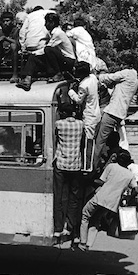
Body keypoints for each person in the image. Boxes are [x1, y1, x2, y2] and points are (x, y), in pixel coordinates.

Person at [78, 150, 138, 251]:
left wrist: (89, 180)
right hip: (112, 204)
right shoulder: (130, 175)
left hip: (100, 198)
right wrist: (128, 199)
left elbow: (101, 181)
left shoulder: (112, 167)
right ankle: (89, 244)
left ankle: (82, 242)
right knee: (96, 220)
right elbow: (136, 190)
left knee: (85, 215)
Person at [93, 68, 138, 171]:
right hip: (120, 114)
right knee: (111, 141)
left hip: (112, 112)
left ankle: (93, 167)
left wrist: (97, 77)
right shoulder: (134, 81)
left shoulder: (128, 73)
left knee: (99, 141)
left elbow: (111, 77)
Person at [53, 103, 84, 242]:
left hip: (61, 164)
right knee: (74, 199)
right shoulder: (80, 124)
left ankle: (58, 228)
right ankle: (70, 226)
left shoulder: (58, 124)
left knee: (59, 197)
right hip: (76, 166)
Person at [68, 61, 101, 173]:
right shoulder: (92, 78)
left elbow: (78, 100)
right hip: (96, 112)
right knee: (92, 140)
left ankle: (87, 167)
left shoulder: (83, 86)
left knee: (88, 142)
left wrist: (71, 92)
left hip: (89, 116)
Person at [15, 7, 52, 91]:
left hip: (30, 46)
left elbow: (22, 32)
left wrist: (23, 46)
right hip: (43, 46)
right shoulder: (49, 14)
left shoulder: (30, 16)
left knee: (33, 56)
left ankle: (26, 79)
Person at [43, 12, 76, 83]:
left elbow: (48, 47)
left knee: (48, 49)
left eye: (47, 22)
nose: (45, 25)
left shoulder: (57, 33)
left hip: (68, 60)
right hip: (67, 59)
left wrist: (34, 52)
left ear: (52, 23)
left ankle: (58, 73)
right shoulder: (54, 32)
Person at [0, 11, 20, 83]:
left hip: (14, 50)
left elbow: (17, 43)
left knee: (13, 46)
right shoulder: (1, 31)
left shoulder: (16, 30)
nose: (5, 23)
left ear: (12, 21)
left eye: (7, 21)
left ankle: (15, 74)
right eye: (4, 21)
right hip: (4, 49)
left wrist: (5, 38)